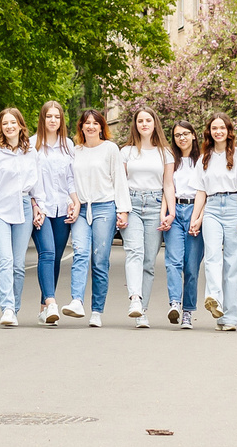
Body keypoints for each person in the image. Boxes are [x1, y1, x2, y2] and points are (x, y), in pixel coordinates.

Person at [68, 108, 128, 327]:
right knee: (81, 253)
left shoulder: (111, 149)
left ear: (102, 127)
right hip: (82, 209)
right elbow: (69, 181)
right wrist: (72, 202)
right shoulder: (75, 151)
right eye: (87, 123)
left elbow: (119, 180)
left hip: (105, 208)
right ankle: (76, 300)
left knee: (100, 261)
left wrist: (123, 210)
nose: (91, 126)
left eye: (95, 123)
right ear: (81, 127)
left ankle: (96, 311)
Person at [0, 106, 37, 327]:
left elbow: (36, 184)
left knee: (18, 264)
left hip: (23, 207)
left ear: (21, 125)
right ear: (0, 128)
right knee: (5, 259)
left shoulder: (31, 152)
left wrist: (38, 206)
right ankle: (6, 308)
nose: (9, 126)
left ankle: (14, 308)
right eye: (5, 123)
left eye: (13, 122)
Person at [195, 112, 237, 332]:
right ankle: (214, 298)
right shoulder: (204, 158)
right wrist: (195, 218)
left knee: (232, 264)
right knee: (212, 256)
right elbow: (200, 191)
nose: (218, 131)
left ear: (228, 131)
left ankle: (229, 318)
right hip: (212, 209)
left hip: (233, 206)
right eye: (214, 128)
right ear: (209, 132)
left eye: (222, 128)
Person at [121, 107, 171, 330]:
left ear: (154, 124)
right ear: (135, 125)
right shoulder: (126, 152)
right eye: (140, 120)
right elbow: (120, 184)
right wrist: (121, 210)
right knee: (134, 252)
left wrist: (171, 212)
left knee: (149, 261)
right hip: (131, 204)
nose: (144, 124)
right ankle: (135, 298)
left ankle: (143, 311)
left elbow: (168, 184)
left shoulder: (165, 153)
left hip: (155, 206)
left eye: (148, 120)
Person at [28, 100, 78, 325]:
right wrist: (34, 205)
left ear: (61, 120)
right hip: (41, 209)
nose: (53, 120)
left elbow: (70, 178)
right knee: (46, 253)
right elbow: (27, 180)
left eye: (57, 117)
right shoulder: (31, 146)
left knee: (56, 258)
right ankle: (51, 303)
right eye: (49, 116)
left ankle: (43, 309)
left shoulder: (68, 145)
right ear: (42, 118)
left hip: (62, 209)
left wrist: (74, 201)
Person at [164, 121, 206, 328]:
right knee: (173, 261)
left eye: (186, 134)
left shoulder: (203, 160)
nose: (182, 138)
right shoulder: (172, 160)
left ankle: (188, 311)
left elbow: (208, 191)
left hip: (195, 211)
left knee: (191, 266)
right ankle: (175, 302)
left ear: (194, 136)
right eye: (178, 135)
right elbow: (167, 186)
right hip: (175, 211)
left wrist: (199, 217)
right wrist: (167, 213)